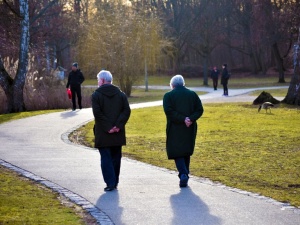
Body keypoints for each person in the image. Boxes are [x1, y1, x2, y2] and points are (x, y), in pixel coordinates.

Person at [92, 70, 131, 192]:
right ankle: (115, 181)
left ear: (102, 81)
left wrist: (109, 127)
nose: (98, 82)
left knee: (106, 158)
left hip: (103, 133)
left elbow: (98, 114)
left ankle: (110, 182)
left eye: (98, 80)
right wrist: (117, 126)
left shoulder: (96, 95)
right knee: (116, 157)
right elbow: (126, 111)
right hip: (118, 133)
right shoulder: (121, 95)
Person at [163, 75, 204, 188]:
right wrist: (190, 119)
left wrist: (182, 119)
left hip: (175, 127)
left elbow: (169, 111)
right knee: (186, 150)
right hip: (189, 127)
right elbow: (200, 110)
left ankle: (183, 174)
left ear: (172, 85)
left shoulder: (168, 96)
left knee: (177, 151)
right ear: (183, 83)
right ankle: (185, 173)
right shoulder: (192, 94)